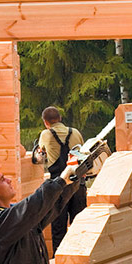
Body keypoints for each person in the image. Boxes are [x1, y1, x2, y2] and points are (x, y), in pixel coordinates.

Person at [36, 106, 88, 252]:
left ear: (46, 122)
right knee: (79, 225)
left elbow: (40, 157)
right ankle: (81, 255)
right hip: (78, 184)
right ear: (60, 119)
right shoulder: (75, 132)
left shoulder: (46, 134)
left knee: (59, 228)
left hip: (58, 186)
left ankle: (60, 260)